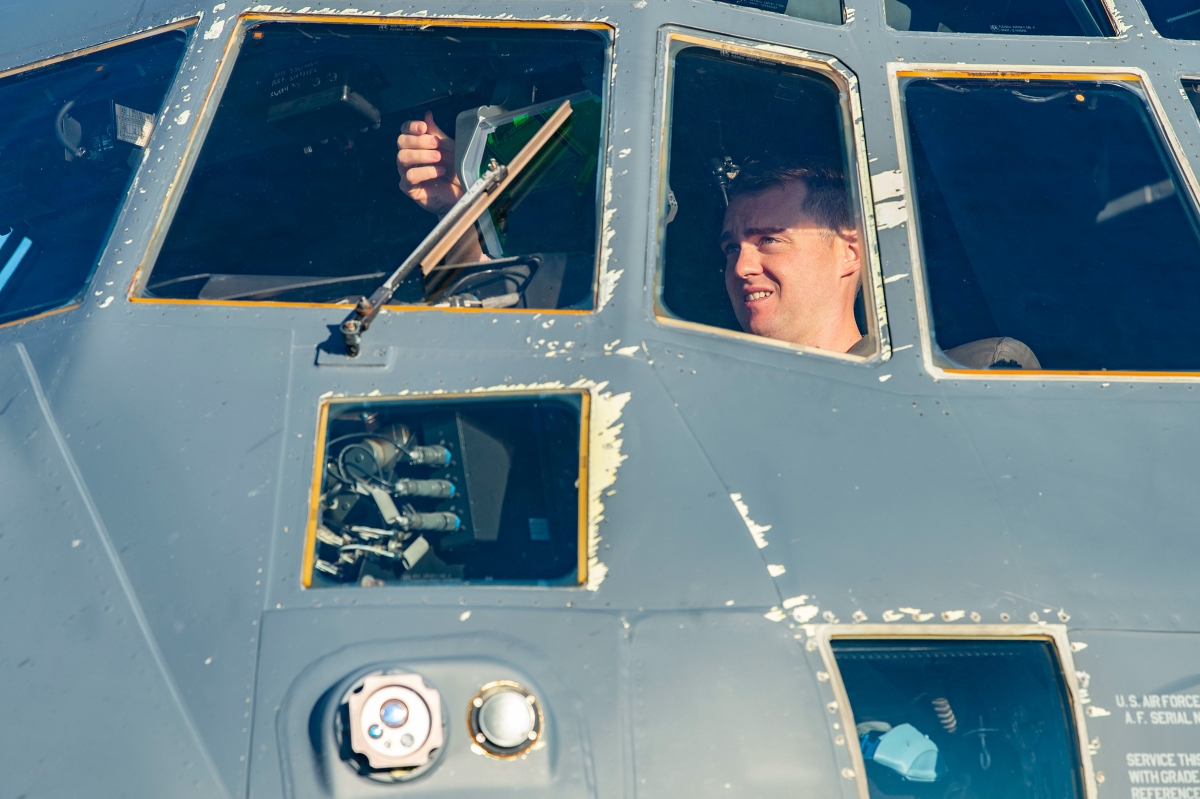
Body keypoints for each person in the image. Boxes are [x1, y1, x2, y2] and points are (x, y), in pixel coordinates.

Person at [721, 161, 869, 355]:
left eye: (769, 240)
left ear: (850, 253)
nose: (741, 268)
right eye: (732, 248)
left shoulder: (900, 382)